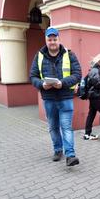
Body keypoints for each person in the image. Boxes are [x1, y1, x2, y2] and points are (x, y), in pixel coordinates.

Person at [30, 27, 82, 166]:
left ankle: (70, 155)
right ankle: (58, 150)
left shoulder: (69, 55)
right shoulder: (39, 56)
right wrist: (41, 84)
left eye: (55, 39)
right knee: (53, 127)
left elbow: (77, 74)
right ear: (46, 40)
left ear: (59, 39)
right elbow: (32, 76)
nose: (52, 42)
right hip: (49, 99)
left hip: (65, 97)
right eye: (49, 39)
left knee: (66, 127)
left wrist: (63, 83)